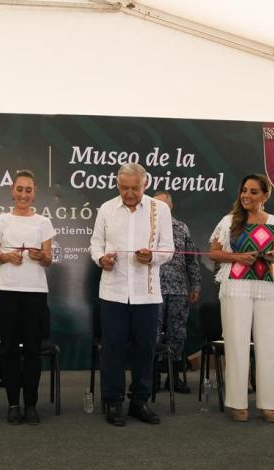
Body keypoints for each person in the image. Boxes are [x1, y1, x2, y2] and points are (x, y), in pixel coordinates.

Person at [90, 163, 174, 427]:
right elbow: (95, 243)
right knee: (112, 349)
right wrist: (101, 258)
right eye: (123, 188)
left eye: (134, 188)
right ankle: (113, 402)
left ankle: (139, 401)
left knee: (145, 349)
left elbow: (168, 249)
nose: (128, 193)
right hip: (112, 291)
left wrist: (152, 257)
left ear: (145, 184)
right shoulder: (106, 209)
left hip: (146, 294)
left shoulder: (159, 209)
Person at [207, 174, 274, 423]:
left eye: (254, 192)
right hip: (236, 288)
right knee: (236, 344)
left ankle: (271, 403)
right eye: (244, 190)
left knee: (270, 345)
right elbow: (214, 253)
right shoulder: (229, 221)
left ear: (265, 196)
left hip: (267, 288)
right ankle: (237, 402)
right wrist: (238, 258)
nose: (247, 196)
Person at [0, 170, 54, 425]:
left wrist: (40, 256)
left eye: (28, 190)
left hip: (36, 294)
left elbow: (48, 260)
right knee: (9, 350)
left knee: (34, 352)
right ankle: (13, 404)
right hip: (7, 292)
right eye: (19, 189)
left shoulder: (43, 222)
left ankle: (31, 404)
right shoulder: (1, 220)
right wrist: (6, 257)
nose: (24, 194)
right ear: (12, 191)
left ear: (34, 192)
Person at [153, 191, 201, 394]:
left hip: (179, 290)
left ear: (170, 207)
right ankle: (151, 377)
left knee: (177, 334)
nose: (158, 210)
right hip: (152, 289)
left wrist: (196, 285)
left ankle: (173, 378)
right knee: (151, 335)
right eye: (154, 206)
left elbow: (192, 260)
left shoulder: (182, 228)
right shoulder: (145, 229)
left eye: (163, 205)